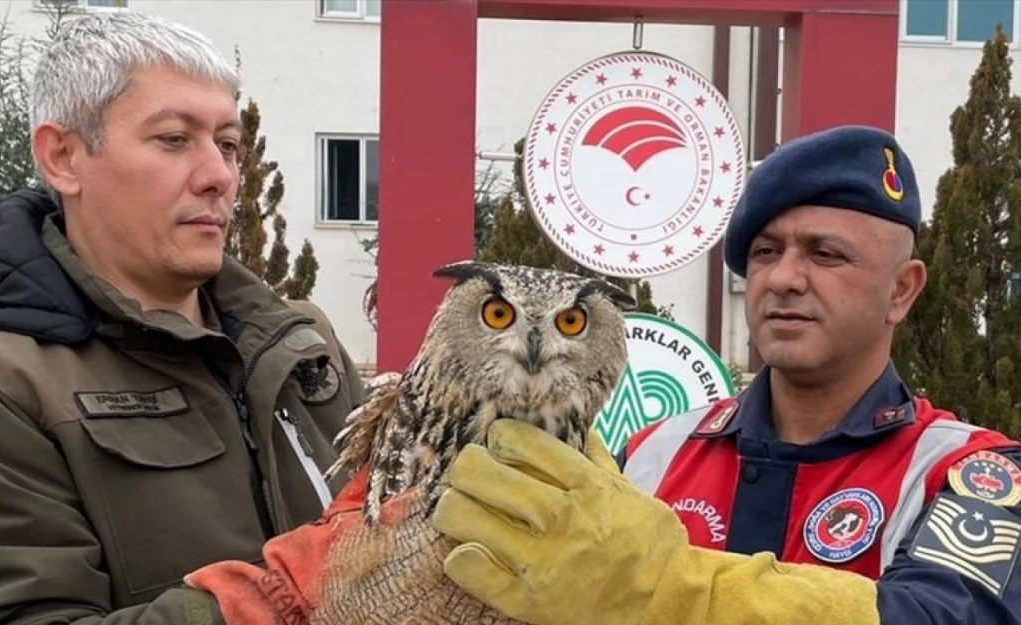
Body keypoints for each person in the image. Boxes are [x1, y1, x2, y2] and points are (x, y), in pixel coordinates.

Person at [431, 125, 1021, 625]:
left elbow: (935, 616)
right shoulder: (653, 452)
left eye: (824, 254)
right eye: (765, 252)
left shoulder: (967, 473)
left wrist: (668, 587)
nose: (784, 278)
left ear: (901, 290)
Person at [0, 12, 366, 625]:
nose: (219, 177)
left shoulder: (303, 344)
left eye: (228, 144)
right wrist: (274, 599)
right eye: (174, 139)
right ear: (63, 157)